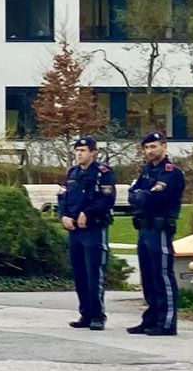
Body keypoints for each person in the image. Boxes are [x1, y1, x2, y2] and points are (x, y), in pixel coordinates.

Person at [125, 130, 185, 337]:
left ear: (164, 146)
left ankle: (167, 322)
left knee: (162, 275)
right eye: (147, 147)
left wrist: (144, 195)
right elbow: (133, 195)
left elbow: (156, 197)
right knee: (148, 276)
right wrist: (142, 195)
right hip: (144, 227)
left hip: (160, 228)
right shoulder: (146, 171)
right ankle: (151, 318)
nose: (150, 151)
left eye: (154, 146)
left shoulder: (170, 172)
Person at [56, 135, 118, 330]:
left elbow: (106, 199)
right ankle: (85, 313)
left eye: (83, 151)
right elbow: (63, 196)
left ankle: (97, 315)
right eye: (77, 151)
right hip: (75, 230)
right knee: (80, 273)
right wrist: (63, 215)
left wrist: (87, 213)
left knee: (94, 272)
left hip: (93, 228)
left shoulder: (102, 173)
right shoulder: (72, 173)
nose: (79, 154)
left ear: (93, 152)